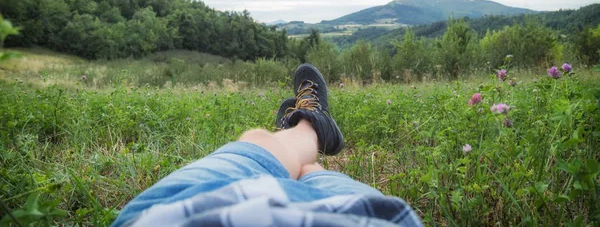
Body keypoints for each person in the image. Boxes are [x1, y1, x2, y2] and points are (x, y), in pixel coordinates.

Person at [112, 64, 422, 226]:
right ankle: (311, 125)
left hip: (162, 218)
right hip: (362, 218)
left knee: (269, 149)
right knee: (299, 166)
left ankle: (301, 131)